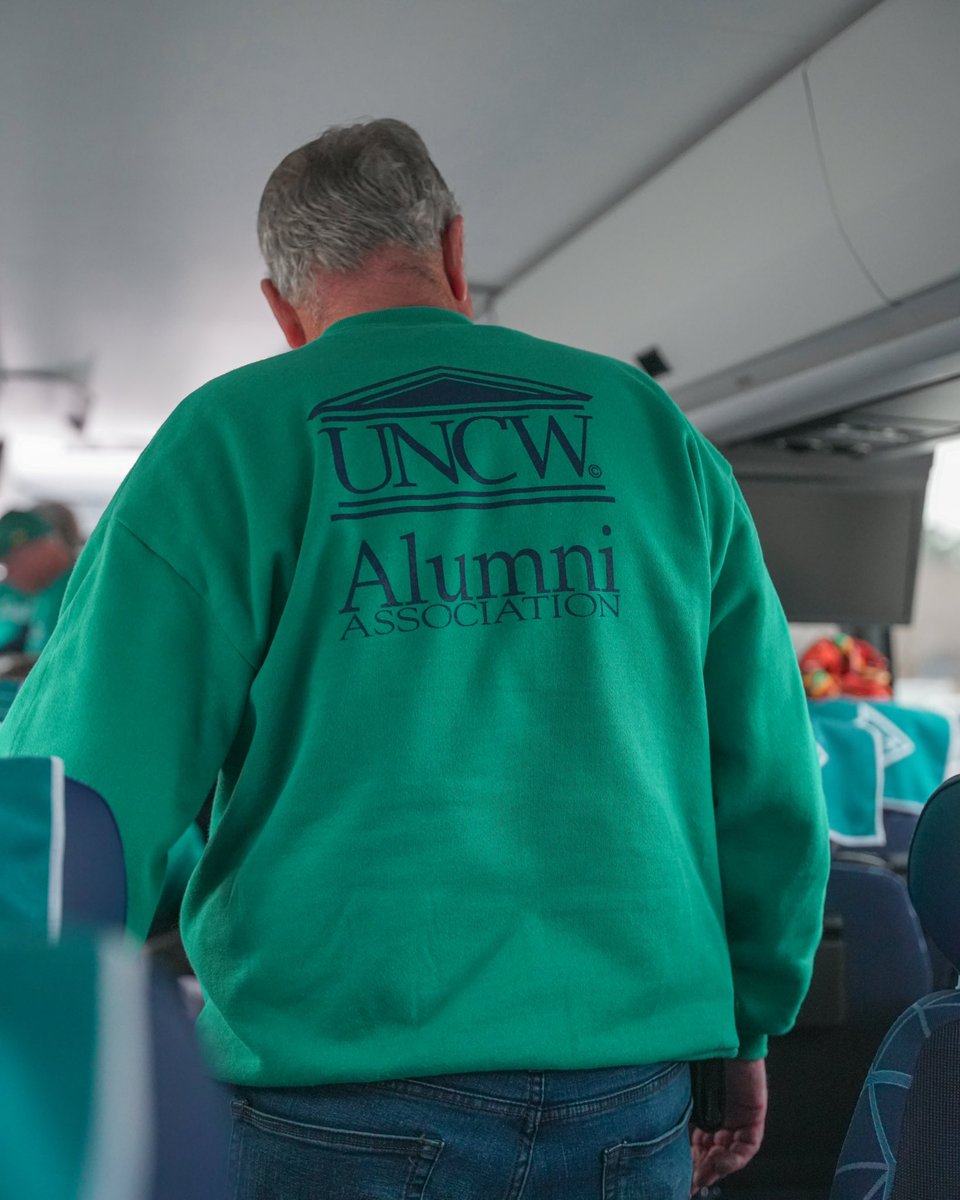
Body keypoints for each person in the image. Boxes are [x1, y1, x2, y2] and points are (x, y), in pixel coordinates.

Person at [0, 118, 829, 1197]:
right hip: (630, 1084)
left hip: (338, 1093)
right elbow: (765, 770)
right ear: (454, 251)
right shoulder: (647, 427)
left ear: (283, 306)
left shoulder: (229, 440)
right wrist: (752, 1019)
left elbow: (80, 788)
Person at [0, 509, 74, 658]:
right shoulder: (46, 592)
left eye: (9, 563)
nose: (9, 577)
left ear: (40, 546)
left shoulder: (77, 587)